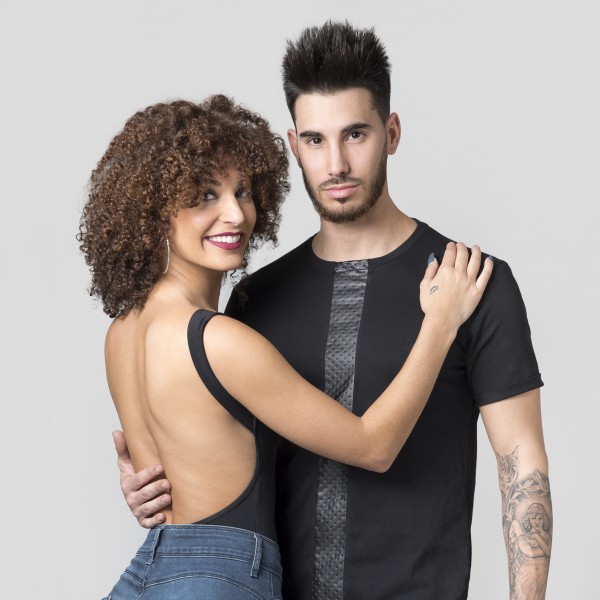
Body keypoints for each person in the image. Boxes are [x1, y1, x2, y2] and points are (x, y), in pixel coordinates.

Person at [116, 22, 552, 599]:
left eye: (355, 134)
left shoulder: (469, 282)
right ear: (294, 146)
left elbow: (523, 466)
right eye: (316, 140)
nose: (337, 163)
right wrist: (156, 485)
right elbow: (222, 453)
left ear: (391, 133)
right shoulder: (252, 299)